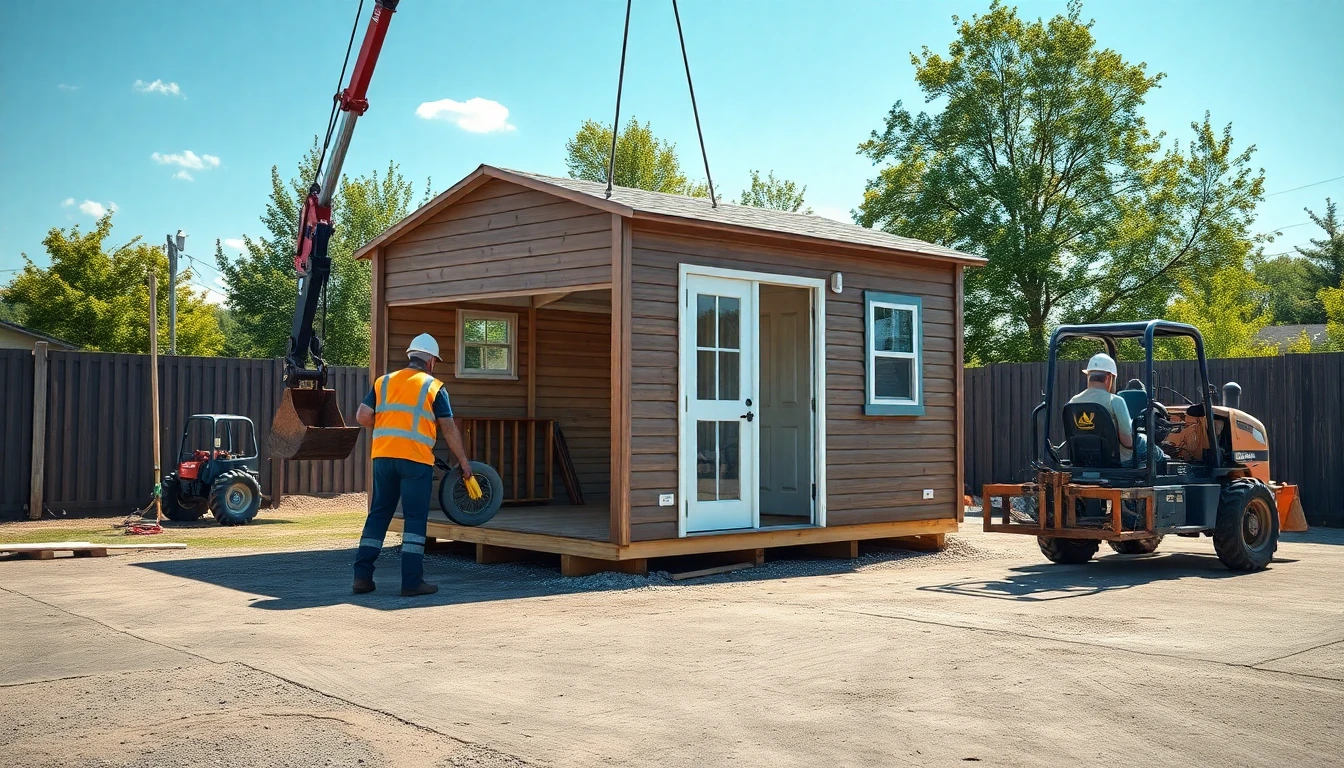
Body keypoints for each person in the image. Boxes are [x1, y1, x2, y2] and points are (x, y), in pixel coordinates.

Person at [352, 333, 472, 597]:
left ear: (410, 356)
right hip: (416, 461)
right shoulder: (433, 386)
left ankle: (362, 577)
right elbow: (449, 429)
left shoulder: (383, 382)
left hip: (383, 458)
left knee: (379, 514)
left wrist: (389, 429)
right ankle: (411, 582)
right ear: (430, 361)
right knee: (415, 519)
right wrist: (463, 462)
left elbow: (363, 416)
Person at [1068, 352, 1153, 465]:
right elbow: (1127, 441)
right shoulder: (1115, 401)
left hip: (1085, 460)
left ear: (1088, 376)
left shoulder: (1073, 402)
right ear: (1109, 378)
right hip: (1118, 461)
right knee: (1156, 452)